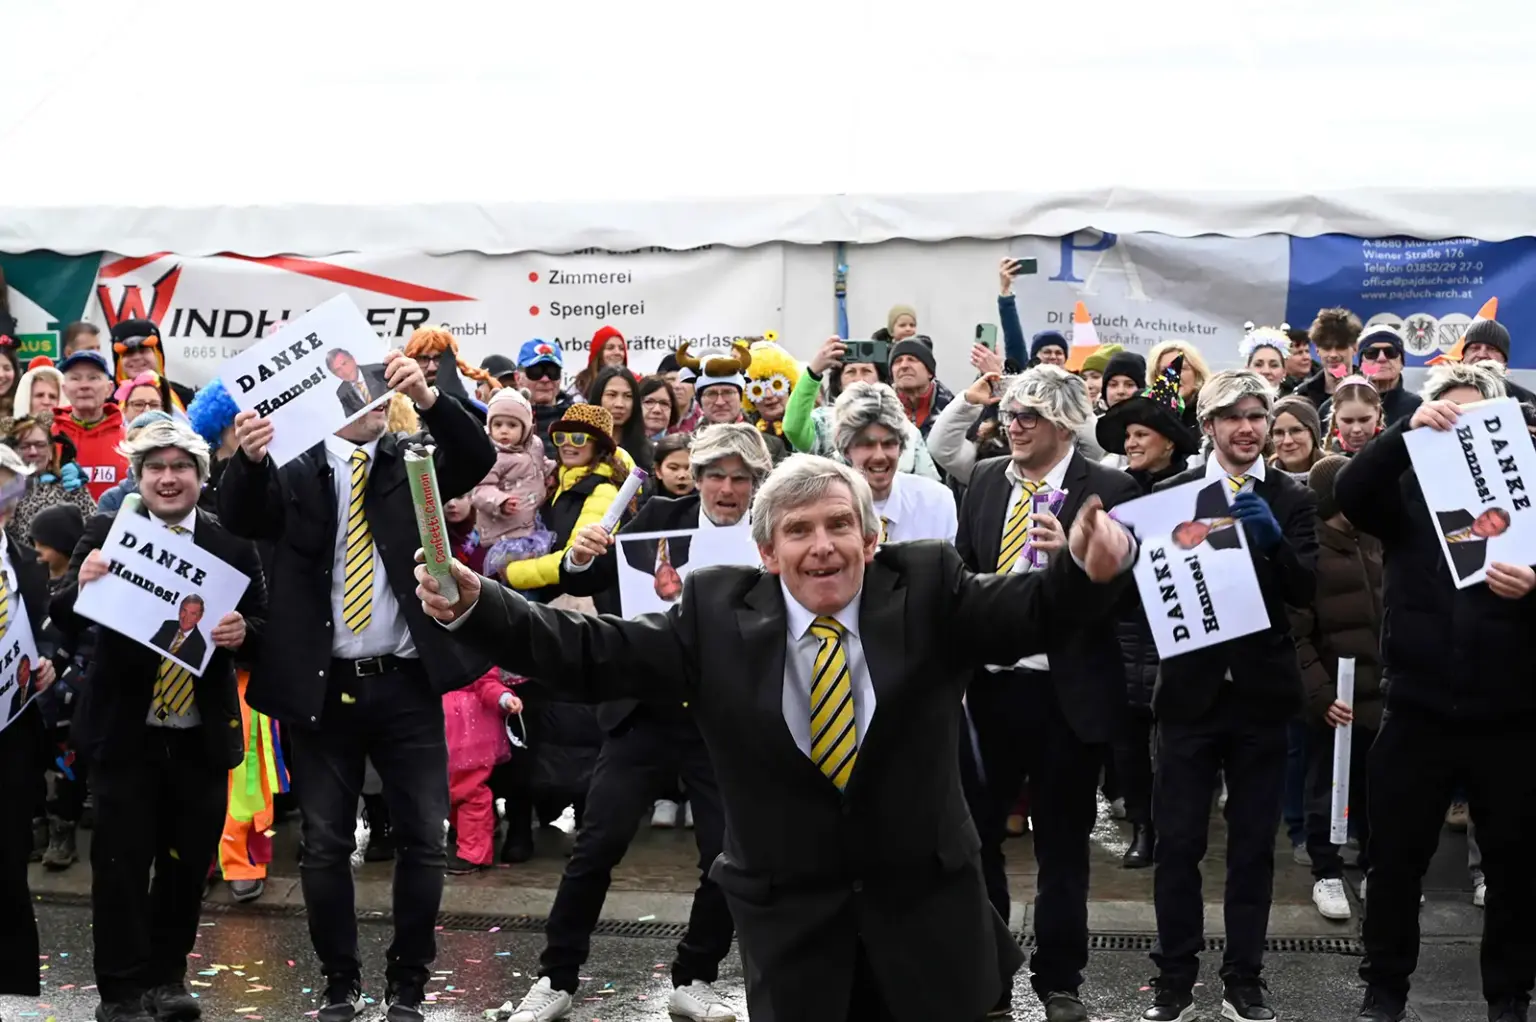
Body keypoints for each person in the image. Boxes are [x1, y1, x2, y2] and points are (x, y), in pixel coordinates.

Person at [420, 451, 1138, 1022]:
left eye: (837, 525)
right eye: (798, 531)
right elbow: (589, 651)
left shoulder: (929, 587)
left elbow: (1034, 610)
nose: (821, 547)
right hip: (795, 937)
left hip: (932, 927)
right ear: (767, 552)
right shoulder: (712, 613)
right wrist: (482, 606)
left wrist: (1090, 570)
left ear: (872, 536)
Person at [218, 349, 496, 1022]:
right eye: (347, 395)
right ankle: (339, 984)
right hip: (323, 689)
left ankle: (409, 988)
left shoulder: (412, 461)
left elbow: (476, 456)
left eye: (372, 393)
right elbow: (241, 515)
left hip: (405, 682)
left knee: (424, 840)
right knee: (325, 843)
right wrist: (248, 458)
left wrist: (430, 398)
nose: (361, 404)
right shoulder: (295, 471)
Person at [498, 424, 776, 1022]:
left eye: (740, 478)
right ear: (696, 477)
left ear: (756, 484)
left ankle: (694, 976)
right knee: (594, 848)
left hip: (722, 720)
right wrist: (580, 553)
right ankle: (554, 978)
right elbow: (586, 582)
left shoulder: (769, 533)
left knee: (728, 855)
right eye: (716, 476)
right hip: (643, 712)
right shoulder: (654, 516)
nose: (727, 489)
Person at [1334, 360, 1536, 1022]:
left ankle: (1508, 996)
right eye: (1443, 412)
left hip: (1509, 715)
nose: (1454, 423)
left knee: (1513, 867)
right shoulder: (1406, 493)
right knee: (1394, 865)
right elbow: (1350, 491)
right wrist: (1402, 431)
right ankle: (1384, 989)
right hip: (1416, 708)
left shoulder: (1528, 496)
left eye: (1470, 414)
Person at [52, 418, 267, 1022]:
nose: (167, 479)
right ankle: (119, 993)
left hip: (199, 738)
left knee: (185, 867)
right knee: (119, 869)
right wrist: (82, 583)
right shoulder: (106, 531)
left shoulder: (232, 549)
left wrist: (244, 632)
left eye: (180, 468)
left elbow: (264, 635)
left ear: (201, 477)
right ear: (138, 477)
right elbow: (61, 613)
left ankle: (167, 980)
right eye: (154, 468)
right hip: (126, 735)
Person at [955, 365, 1141, 1022]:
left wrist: (1078, 563)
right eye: (1008, 414)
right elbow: (963, 581)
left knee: (1063, 847)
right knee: (977, 843)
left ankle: (1061, 983)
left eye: (1028, 415)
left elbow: (1127, 600)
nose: (1014, 425)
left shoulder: (1110, 488)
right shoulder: (982, 480)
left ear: (1063, 422)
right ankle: (991, 981)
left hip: (1068, 697)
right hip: (991, 694)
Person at [1141, 370, 1318, 1022]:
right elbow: (1146, 595)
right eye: (1233, 416)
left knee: (1251, 850)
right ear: (1209, 425)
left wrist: (1273, 545)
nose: (1247, 428)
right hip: (1189, 698)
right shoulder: (1170, 495)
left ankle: (1244, 980)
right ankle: (1174, 984)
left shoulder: (1292, 499)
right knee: (1178, 846)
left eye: (1258, 416)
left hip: (1263, 700)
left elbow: (1307, 592)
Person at [1094, 358, 1202, 869]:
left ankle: (1176, 825)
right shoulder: (1114, 490)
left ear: (1169, 441)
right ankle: (1143, 827)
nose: (1131, 442)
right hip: (1125, 630)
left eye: (1141, 434)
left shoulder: (1197, 489)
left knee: (1178, 740)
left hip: (1181, 631)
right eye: (1128, 435)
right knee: (1130, 740)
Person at [1285, 455, 1383, 923]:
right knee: (1327, 787)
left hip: (1379, 695)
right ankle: (1326, 872)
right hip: (1333, 700)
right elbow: (1296, 634)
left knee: (1377, 789)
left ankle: (1373, 869)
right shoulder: (1311, 550)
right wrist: (1320, 693)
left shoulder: (1376, 539)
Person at [0, 443, 62, 1008]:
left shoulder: (25, 560)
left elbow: (43, 632)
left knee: (7, 863)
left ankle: (6, 988)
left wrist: (45, 661)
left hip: (12, 735)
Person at [785, 336, 942, 480]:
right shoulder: (824, 423)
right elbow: (793, 428)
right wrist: (814, 371)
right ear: (839, 383)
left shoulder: (904, 428)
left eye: (866, 371)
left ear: (880, 379)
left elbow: (929, 484)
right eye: (850, 372)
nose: (858, 378)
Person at [834, 383, 956, 544]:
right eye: (867, 445)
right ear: (846, 450)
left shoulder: (937, 501)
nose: (879, 456)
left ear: (901, 447)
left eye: (889, 444)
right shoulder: (831, 507)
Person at [470, 388, 554, 580]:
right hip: (504, 532)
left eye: (512, 425)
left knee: (531, 578)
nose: (504, 430)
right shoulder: (491, 455)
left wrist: (551, 472)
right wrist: (500, 501)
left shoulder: (535, 445)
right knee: (509, 582)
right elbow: (480, 489)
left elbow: (539, 464)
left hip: (531, 525)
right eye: (498, 424)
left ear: (525, 428)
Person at [6, 415, 95, 544]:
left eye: (40, 445)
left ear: (51, 452)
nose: (33, 452)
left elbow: (94, 533)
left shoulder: (69, 487)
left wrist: (77, 493)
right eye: (25, 446)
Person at [54, 349, 126, 501]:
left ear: (109, 388)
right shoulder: (48, 438)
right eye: (75, 378)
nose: (84, 386)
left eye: (93, 378)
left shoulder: (130, 440)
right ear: (64, 389)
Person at [1318, 325, 1421, 428]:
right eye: (1372, 353)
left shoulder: (1417, 407)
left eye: (1391, 352)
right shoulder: (1332, 407)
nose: (1381, 358)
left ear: (1402, 362)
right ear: (1361, 364)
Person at [110, 319, 195, 411]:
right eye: (128, 353)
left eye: (143, 350)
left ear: (158, 356)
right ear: (118, 362)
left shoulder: (186, 398)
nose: (136, 357)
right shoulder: (105, 404)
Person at [1290, 308, 1362, 408]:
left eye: (1340, 347)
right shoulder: (1302, 395)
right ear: (1317, 350)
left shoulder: (1371, 388)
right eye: (1326, 347)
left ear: (1355, 348)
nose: (1333, 355)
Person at [516, 339, 577, 458]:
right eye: (536, 372)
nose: (545, 379)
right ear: (518, 378)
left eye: (552, 372)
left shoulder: (576, 421)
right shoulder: (504, 418)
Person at [588, 365, 652, 470]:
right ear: (598, 398)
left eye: (628, 396)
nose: (620, 404)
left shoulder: (647, 451)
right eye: (612, 395)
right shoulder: (582, 446)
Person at [888, 336, 953, 437]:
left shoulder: (951, 409)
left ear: (930, 372)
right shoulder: (881, 408)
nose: (904, 365)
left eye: (912, 360)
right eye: (898, 361)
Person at [1146, 340, 1211, 429]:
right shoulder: (1147, 414)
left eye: (1181, 368)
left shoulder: (1211, 413)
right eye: (1165, 370)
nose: (1174, 374)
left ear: (1197, 372)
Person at [1268, 397, 1324, 481]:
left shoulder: (1337, 474)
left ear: (1313, 434)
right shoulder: (1261, 479)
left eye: (1296, 431)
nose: (1287, 441)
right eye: (1279, 432)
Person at [1324, 377, 1384, 455]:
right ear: (1336, 418)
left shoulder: (1396, 454)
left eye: (1364, 420)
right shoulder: (1327, 461)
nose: (1356, 429)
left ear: (1377, 413)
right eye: (1348, 421)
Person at [329, 348, 392, 417]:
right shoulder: (342, 392)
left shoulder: (379, 370)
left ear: (353, 359)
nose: (344, 371)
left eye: (344, 363)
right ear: (335, 374)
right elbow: (353, 420)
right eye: (338, 370)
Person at [571, 325, 629, 399]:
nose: (617, 352)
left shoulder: (634, 383)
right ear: (598, 354)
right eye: (610, 348)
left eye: (621, 348)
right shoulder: (580, 387)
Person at [149, 594, 208, 665]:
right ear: (179, 611)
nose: (186, 617)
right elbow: (151, 646)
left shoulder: (199, 645)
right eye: (184, 610)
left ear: (199, 618)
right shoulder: (168, 625)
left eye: (192, 614)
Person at [1240, 324, 1289, 390]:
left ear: (1284, 372)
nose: (1266, 371)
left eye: (1274, 365)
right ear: (1247, 370)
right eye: (1258, 365)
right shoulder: (1233, 399)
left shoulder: (1296, 399)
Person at [648, 434, 694, 499]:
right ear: (658, 470)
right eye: (673, 468)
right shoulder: (642, 500)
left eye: (690, 468)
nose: (682, 475)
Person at [638, 375, 681, 440]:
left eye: (664, 403)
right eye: (649, 402)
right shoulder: (620, 447)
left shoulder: (680, 447)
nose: (657, 410)